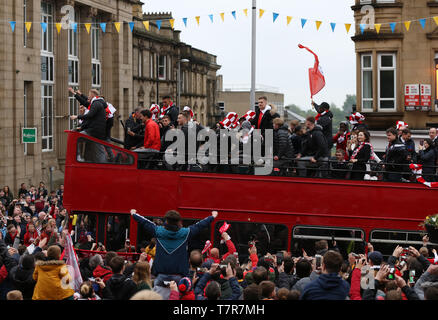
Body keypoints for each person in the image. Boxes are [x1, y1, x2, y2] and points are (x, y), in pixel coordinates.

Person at [131, 209, 217, 285]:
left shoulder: (158, 231)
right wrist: (212, 217)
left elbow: (145, 223)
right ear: (179, 222)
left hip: (160, 275)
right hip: (179, 277)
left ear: (166, 221)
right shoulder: (185, 233)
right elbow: (199, 226)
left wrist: (134, 214)